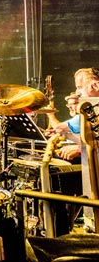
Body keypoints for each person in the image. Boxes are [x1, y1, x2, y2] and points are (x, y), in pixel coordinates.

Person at [46, 68, 99, 232]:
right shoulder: (91, 109)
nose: (77, 93)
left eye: (80, 87)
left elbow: (60, 127)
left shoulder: (90, 109)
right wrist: (76, 143)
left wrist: (78, 147)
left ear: (96, 85)